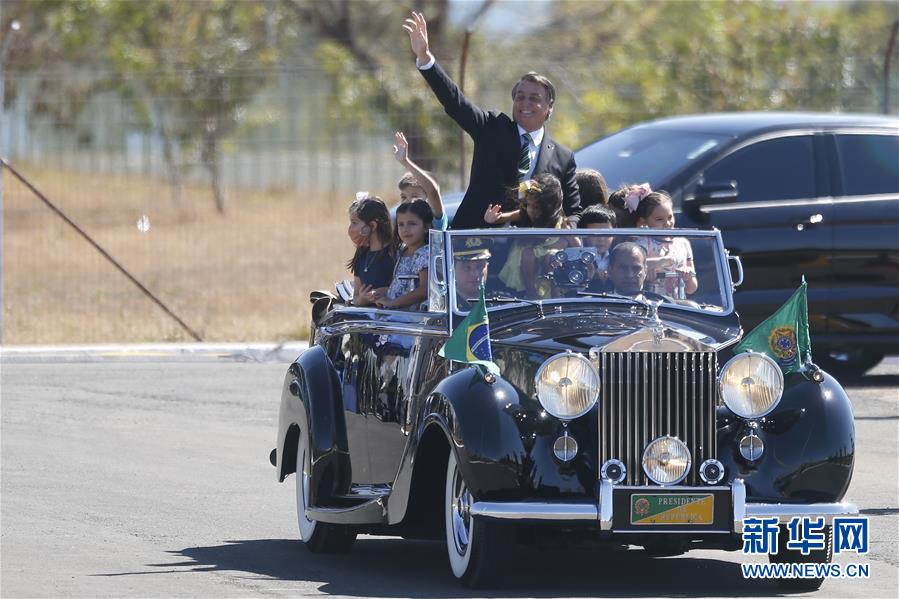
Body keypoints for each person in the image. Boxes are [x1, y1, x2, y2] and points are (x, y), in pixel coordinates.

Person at [403, 11, 581, 229]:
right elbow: (455, 102)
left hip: (530, 253)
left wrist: (570, 227)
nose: (525, 103)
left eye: (534, 99)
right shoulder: (492, 127)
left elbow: (573, 211)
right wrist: (425, 58)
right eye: (520, 97)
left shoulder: (562, 157)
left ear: (549, 108)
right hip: (476, 241)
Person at [490, 174, 577, 297]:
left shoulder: (560, 221)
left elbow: (575, 243)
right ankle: (531, 293)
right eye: (527, 205)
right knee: (528, 254)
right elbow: (501, 218)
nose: (530, 210)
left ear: (549, 207)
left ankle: (556, 294)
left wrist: (572, 242)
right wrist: (492, 218)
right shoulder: (525, 214)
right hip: (528, 260)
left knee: (553, 256)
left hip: (550, 259)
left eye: (536, 207)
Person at [632, 190, 698, 298]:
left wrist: (688, 276)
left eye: (670, 217)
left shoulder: (683, 243)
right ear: (644, 221)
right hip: (649, 304)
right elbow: (633, 266)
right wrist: (661, 261)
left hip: (678, 307)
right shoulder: (641, 244)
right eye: (659, 219)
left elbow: (691, 289)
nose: (667, 223)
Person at [375, 199, 432, 310]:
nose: (405, 229)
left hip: (412, 317)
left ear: (426, 227)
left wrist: (394, 303)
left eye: (412, 224)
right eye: (401, 224)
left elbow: (425, 289)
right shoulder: (401, 251)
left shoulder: (424, 253)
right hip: (397, 314)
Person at [393, 131, 448, 231]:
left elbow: (432, 191)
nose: (408, 201)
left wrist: (405, 162)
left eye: (415, 196)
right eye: (403, 197)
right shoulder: (401, 223)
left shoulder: (434, 221)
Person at [347, 196, 395, 306]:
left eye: (354, 222)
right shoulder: (361, 255)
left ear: (373, 225)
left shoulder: (394, 253)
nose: (350, 229)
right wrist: (362, 299)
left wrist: (385, 292)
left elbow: (405, 290)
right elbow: (355, 297)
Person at [578, 204, 617, 291]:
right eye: (594, 234)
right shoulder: (576, 258)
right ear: (583, 234)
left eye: (606, 234)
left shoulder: (619, 256)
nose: (601, 239)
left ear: (615, 233)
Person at [452, 236, 493, 307]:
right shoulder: (443, 305)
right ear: (453, 269)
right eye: (467, 268)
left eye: (480, 266)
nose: (475, 274)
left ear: (487, 266)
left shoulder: (500, 302)